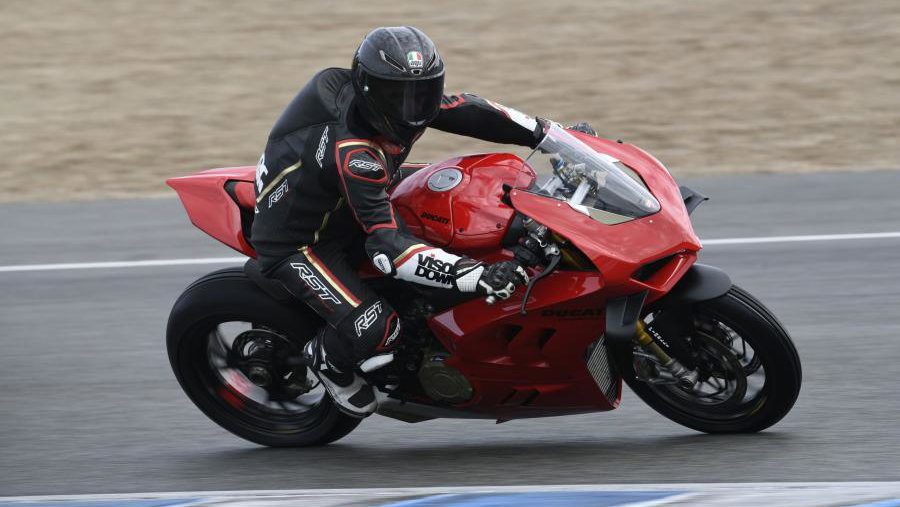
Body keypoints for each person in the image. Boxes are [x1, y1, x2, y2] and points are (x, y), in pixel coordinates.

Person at [251, 26, 586, 418]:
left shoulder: (389, 105)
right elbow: (388, 248)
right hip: (302, 241)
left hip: (344, 192)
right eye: (399, 96)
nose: (414, 108)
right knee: (377, 329)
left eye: (424, 92)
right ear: (370, 92)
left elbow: (469, 110)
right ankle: (329, 359)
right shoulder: (357, 153)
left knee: (469, 200)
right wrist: (477, 276)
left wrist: (551, 136)